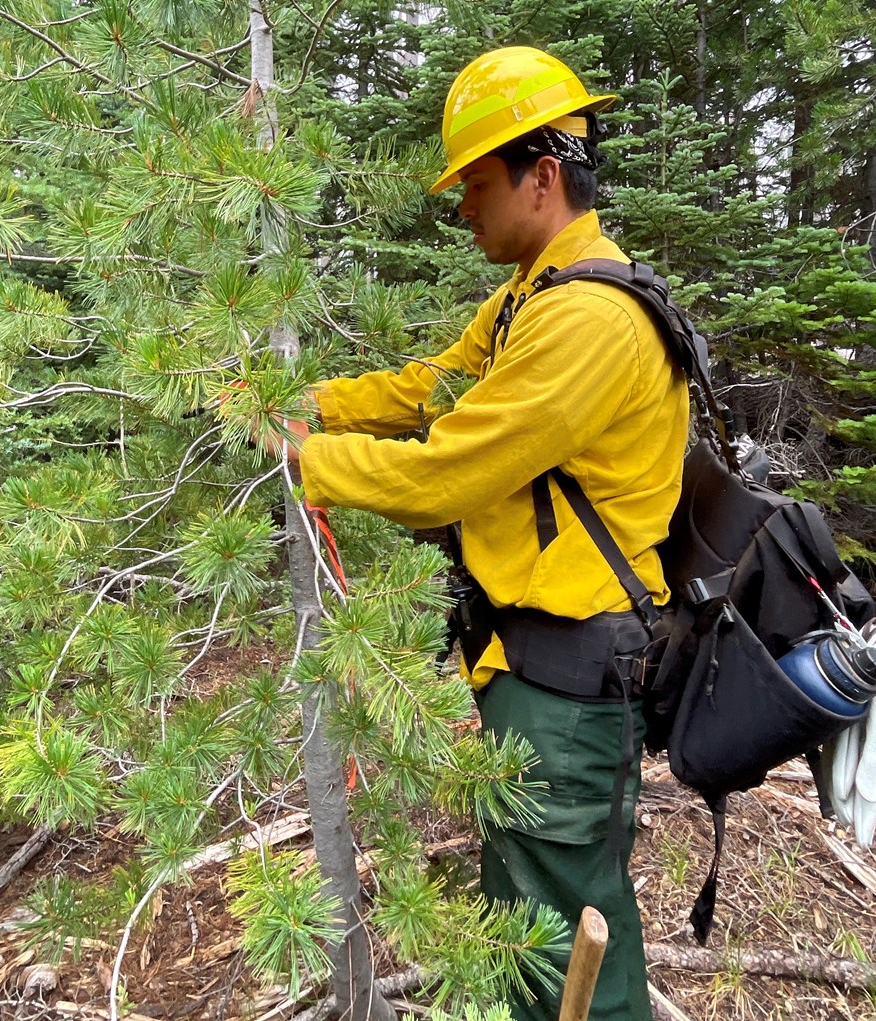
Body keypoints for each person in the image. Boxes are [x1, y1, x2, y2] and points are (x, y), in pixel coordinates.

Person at [280, 46, 688, 1021]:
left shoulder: (587, 320)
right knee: (533, 913)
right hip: (532, 668)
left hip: (569, 687)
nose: (460, 204)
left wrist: (306, 462)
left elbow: (446, 474)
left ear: (541, 177)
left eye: (474, 181)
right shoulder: (530, 298)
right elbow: (432, 388)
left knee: (561, 936)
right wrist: (315, 402)